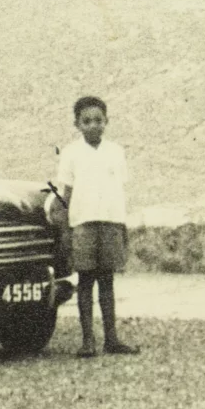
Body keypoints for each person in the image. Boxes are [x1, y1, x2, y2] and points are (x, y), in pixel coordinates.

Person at [55, 95, 140, 358]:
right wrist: (64, 230)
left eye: (98, 120)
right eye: (87, 121)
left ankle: (111, 339)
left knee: (107, 280)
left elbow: (117, 190)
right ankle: (88, 340)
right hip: (83, 223)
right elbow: (65, 194)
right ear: (77, 124)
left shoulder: (116, 152)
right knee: (85, 281)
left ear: (107, 121)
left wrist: (122, 225)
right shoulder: (70, 153)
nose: (93, 125)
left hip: (111, 221)